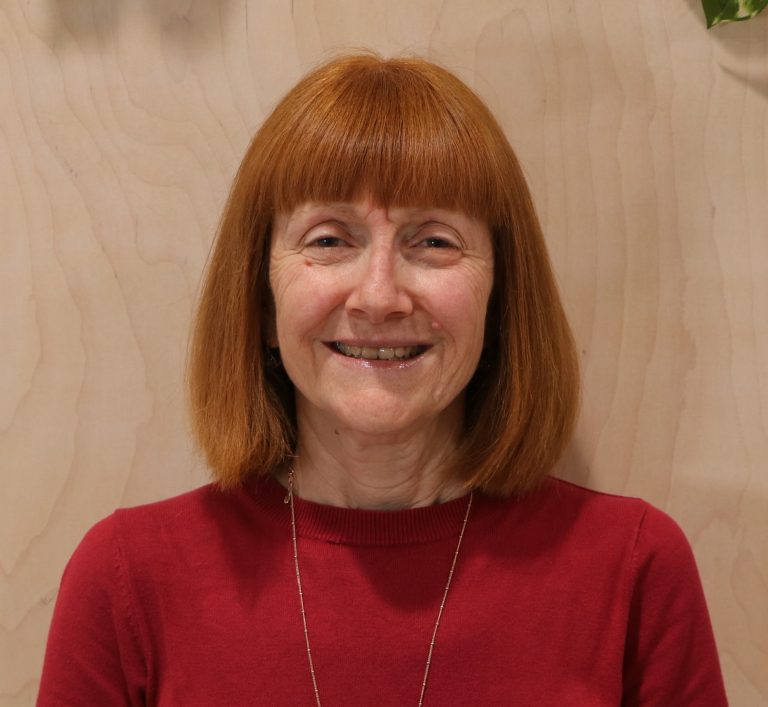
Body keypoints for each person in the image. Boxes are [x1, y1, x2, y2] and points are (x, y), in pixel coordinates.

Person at [37, 53, 728, 706]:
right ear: (259, 296)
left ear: (501, 294)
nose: (379, 296)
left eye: (433, 241)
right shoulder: (127, 580)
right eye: (329, 239)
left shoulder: (634, 570)